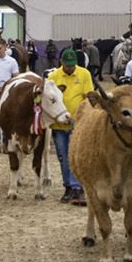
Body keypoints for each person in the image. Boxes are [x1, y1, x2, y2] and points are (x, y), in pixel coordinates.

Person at [46, 51, 94, 205]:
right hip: (59, 124)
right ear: (61, 62)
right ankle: (68, 186)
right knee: (63, 156)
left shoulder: (84, 74)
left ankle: (77, 188)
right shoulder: (53, 77)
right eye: (67, 65)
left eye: (73, 65)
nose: (70, 68)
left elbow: (88, 98)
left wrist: (84, 117)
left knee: (76, 156)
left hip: (77, 124)